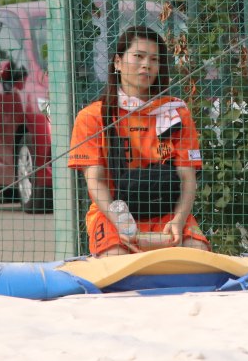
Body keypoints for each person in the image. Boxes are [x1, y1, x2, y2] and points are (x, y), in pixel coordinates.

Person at [69, 25, 210, 257]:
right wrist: (121, 224)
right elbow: (95, 181)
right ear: (117, 62)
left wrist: (178, 220)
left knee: (199, 254)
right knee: (116, 259)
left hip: (168, 214)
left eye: (154, 59)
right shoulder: (91, 117)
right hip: (114, 215)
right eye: (138, 56)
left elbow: (188, 178)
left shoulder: (177, 113)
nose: (147, 65)